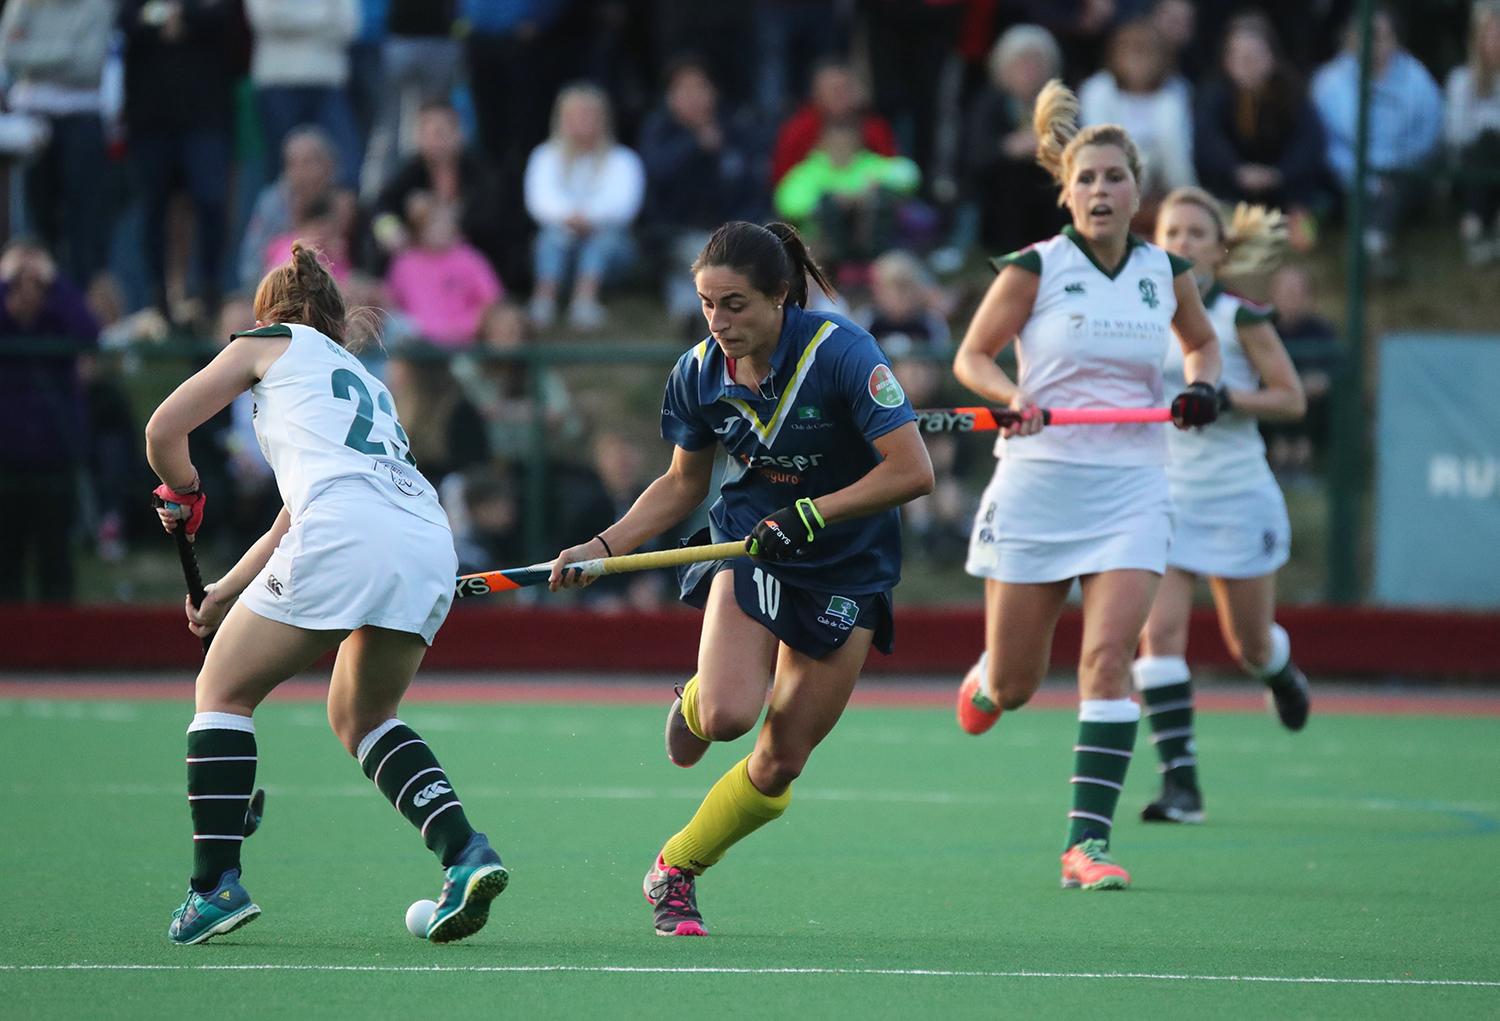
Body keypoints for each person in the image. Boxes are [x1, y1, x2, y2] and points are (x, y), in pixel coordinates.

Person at [548, 220, 933, 935]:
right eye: (706, 304)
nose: (718, 322)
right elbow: (680, 483)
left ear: (780, 297)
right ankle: (698, 697)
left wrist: (813, 513)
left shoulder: (844, 353)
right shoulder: (697, 372)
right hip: (752, 542)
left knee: (781, 758)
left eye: (736, 304)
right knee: (728, 715)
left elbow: (913, 472)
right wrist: (602, 545)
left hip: (849, 563)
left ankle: (675, 869)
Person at [144, 242, 507, 945]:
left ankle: (214, 883)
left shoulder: (266, 342)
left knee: (221, 690)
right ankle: (466, 853)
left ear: (268, 312)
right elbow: (292, 516)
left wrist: (182, 490)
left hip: (347, 527)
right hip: (424, 531)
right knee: (364, 714)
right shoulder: (362, 379)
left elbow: (164, 430)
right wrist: (222, 593)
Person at [951, 80, 1222, 892]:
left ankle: (1085, 844)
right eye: (1088, 179)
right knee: (1017, 682)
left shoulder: (1165, 272)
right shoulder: (1036, 267)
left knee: (1108, 659)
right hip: (1040, 483)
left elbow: (1202, 346)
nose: (1101, 191)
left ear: (1138, 189)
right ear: (1066, 193)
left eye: (1115, 177)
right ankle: (987, 678)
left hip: (1134, 483)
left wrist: (1202, 386)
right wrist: (1012, 399)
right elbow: (973, 358)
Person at [1133, 186, 1312, 825]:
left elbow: (1291, 400)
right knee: (1160, 635)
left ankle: (1282, 674)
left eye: (1195, 233)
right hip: (1162, 494)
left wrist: (1225, 398)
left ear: (1219, 248)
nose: (1181, 243)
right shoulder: (1137, 315)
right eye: (1170, 232)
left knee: (1250, 645)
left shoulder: (1241, 317)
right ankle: (1181, 786)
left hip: (1236, 495)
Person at [1311, 6, 1442, 280]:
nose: (1371, 43)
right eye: (1363, 35)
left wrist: (1389, 170)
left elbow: (1428, 134)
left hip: (1402, 174)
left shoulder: (1417, 80)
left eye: (1379, 36)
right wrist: (1365, 176)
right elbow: (1326, 142)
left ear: (1394, 40)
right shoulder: (1328, 83)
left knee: (1408, 178)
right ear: (1350, 39)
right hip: (1348, 178)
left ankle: (1369, 248)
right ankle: (1375, 250)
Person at [522, 83, 645, 331]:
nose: (582, 122)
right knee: (552, 235)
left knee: (604, 237)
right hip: (561, 242)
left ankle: (585, 300)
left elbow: (624, 206)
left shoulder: (623, 159)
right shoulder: (544, 155)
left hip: (612, 252)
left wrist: (586, 219)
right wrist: (570, 218)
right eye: (575, 116)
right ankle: (544, 299)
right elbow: (539, 202)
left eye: (589, 115)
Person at [1445, 1, 1500, 266]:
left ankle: (1479, 225)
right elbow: (1457, 135)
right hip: (1467, 168)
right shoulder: (1461, 81)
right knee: (1486, 142)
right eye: (1491, 35)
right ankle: (1476, 227)